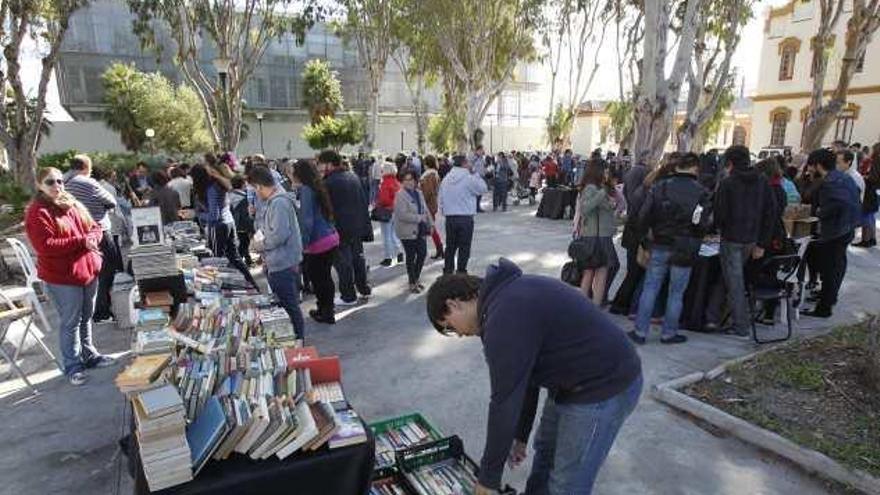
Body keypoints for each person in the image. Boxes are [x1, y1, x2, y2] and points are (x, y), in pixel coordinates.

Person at [426, 258, 642, 495]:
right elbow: (522, 379)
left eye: (449, 326)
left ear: (454, 304)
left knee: (567, 483)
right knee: (545, 457)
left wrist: (488, 478)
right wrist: (520, 434)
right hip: (570, 383)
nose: (458, 333)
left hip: (603, 386)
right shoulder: (501, 300)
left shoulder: (504, 316)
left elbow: (504, 402)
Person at [25, 167, 116, 386]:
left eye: (59, 181)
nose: (57, 185)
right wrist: (81, 241)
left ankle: (90, 355)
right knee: (70, 322)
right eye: (50, 182)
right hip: (62, 277)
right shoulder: (38, 212)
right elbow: (45, 246)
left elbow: (93, 226)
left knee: (86, 316)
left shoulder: (72, 203)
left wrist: (92, 237)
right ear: (39, 185)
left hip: (87, 271)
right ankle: (73, 365)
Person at [630, 152, 710, 344]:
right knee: (676, 292)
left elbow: (643, 216)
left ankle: (640, 332)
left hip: (660, 243)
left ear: (676, 167)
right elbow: (703, 224)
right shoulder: (701, 192)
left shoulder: (660, 187)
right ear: (695, 168)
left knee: (651, 287)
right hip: (685, 246)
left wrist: (645, 241)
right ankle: (669, 333)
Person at [713, 145, 777, 336]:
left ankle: (740, 325)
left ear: (730, 162)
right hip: (751, 239)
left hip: (732, 238)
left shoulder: (728, 183)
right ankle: (714, 316)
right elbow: (770, 212)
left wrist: (719, 228)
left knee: (735, 283)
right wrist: (761, 242)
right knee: (731, 279)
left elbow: (720, 214)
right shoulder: (762, 181)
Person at [248, 166, 305, 343]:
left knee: (289, 305)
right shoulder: (277, 200)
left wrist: (259, 245)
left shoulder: (279, 202)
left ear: (259, 186)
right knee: (288, 303)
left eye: (254, 189)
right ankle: (296, 338)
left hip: (282, 262)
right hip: (281, 261)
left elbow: (279, 235)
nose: (255, 194)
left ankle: (297, 340)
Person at [802, 149, 861, 318]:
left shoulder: (830, 182)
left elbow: (839, 204)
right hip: (846, 228)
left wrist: (821, 212)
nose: (810, 169)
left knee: (829, 269)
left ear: (819, 165)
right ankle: (829, 297)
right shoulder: (844, 177)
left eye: (812, 165)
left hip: (836, 231)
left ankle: (824, 308)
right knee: (836, 266)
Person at [63, 154, 122, 323]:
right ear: (86, 168)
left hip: (74, 235)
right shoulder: (87, 182)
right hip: (97, 231)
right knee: (106, 270)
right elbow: (111, 201)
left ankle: (87, 310)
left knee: (85, 273)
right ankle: (101, 311)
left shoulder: (61, 183)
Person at [191, 158, 257, 288]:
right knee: (235, 257)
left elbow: (214, 215)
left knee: (217, 261)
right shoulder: (217, 185)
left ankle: (224, 288)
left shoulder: (211, 189)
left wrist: (196, 214)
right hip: (228, 223)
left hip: (219, 226)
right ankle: (251, 284)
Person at [320, 149, 373, 305]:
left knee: (343, 264)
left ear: (329, 164)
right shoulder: (352, 176)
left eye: (322, 164)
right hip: (356, 226)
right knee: (357, 260)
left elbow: (325, 209)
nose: (320, 167)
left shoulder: (328, 182)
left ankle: (348, 296)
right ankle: (363, 288)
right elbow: (363, 202)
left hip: (339, 229)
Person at [292, 159, 340, 324]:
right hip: (330, 237)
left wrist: (303, 245)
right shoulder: (316, 187)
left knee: (319, 279)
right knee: (325, 277)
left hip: (318, 242)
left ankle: (325, 312)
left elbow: (307, 221)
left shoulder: (306, 190)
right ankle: (327, 310)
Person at [574, 160, 619, 306]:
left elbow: (604, 208)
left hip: (600, 235)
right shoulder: (592, 188)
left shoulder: (598, 188)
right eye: (605, 171)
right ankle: (591, 306)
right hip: (595, 237)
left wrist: (611, 204)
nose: (607, 174)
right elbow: (585, 208)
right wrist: (602, 194)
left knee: (597, 272)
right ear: (598, 171)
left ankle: (590, 306)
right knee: (593, 273)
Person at [610, 152, 650, 315]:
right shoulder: (644, 194)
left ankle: (623, 303)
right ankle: (622, 304)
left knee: (632, 272)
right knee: (634, 273)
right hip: (636, 236)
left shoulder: (635, 191)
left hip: (631, 235)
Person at [438, 155, 488, 275]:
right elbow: (483, 188)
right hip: (465, 217)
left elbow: (440, 198)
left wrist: (444, 211)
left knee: (450, 247)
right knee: (464, 246)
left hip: (450, 217)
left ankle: (448, 271)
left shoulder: (446, 179)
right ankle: (461, 271)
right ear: (465, 164)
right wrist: (475, 173)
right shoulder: (469, 178)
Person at [395, 171, 433, 293]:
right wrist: (418, 218)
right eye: (406, 180)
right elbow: (401, 215)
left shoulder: (419, 193)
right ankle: (412, 282)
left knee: (422, 254)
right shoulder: (400, 195)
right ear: (402, 182)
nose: (409, 182)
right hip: (407, 231)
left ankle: (415, 279)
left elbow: (425, 210)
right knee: (411, 257)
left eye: (411, 179)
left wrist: (430, 223)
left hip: (420, 229)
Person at [376, 162, 405, 267]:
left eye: (382, 169)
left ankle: (388, 257)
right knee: (394, 234)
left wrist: (378, 203)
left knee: (386, 236)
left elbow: (384, 199)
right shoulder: (396, 182)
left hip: (386, 211)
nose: (381, 171)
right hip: (395, 211)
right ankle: (399, 253)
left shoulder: (385, 183)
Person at [855, 143, 880, 248]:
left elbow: (873, 177)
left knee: (867, 214)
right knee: (871, 215)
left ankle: (866, 239)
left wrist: (864, 177)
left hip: (871, 190)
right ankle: (872, 238)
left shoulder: (876, 161)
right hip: (876, 190)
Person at [420, 155, 445, 259]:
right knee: (429, 228)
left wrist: (421, 201)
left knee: (426, 228)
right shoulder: (433, 174)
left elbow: (428, 191)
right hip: (431, 204)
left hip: (428, 205)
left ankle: (428, 250)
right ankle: (439, 249)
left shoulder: (429, 175)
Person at [229, 175, 255, 266]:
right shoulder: (244, 197)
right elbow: (246, 214)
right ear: (242, 184)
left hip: (233, 222)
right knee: (244, 243)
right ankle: (239, 263)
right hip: (242, 224)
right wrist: (251, 227)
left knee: (241, 242)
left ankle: (248, 260)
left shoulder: (230, 195)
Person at [470, 145, 487, 212]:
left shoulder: (481, 158)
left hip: (481, 177)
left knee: (480, 193)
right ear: (478, 150)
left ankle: (478, 207)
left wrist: (486, 171)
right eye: (481, 150)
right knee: (476, 193)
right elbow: (470, 166)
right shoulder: (473, 157)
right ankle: (475, 207)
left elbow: (483, 166)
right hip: (475, 177)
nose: (482, 151)